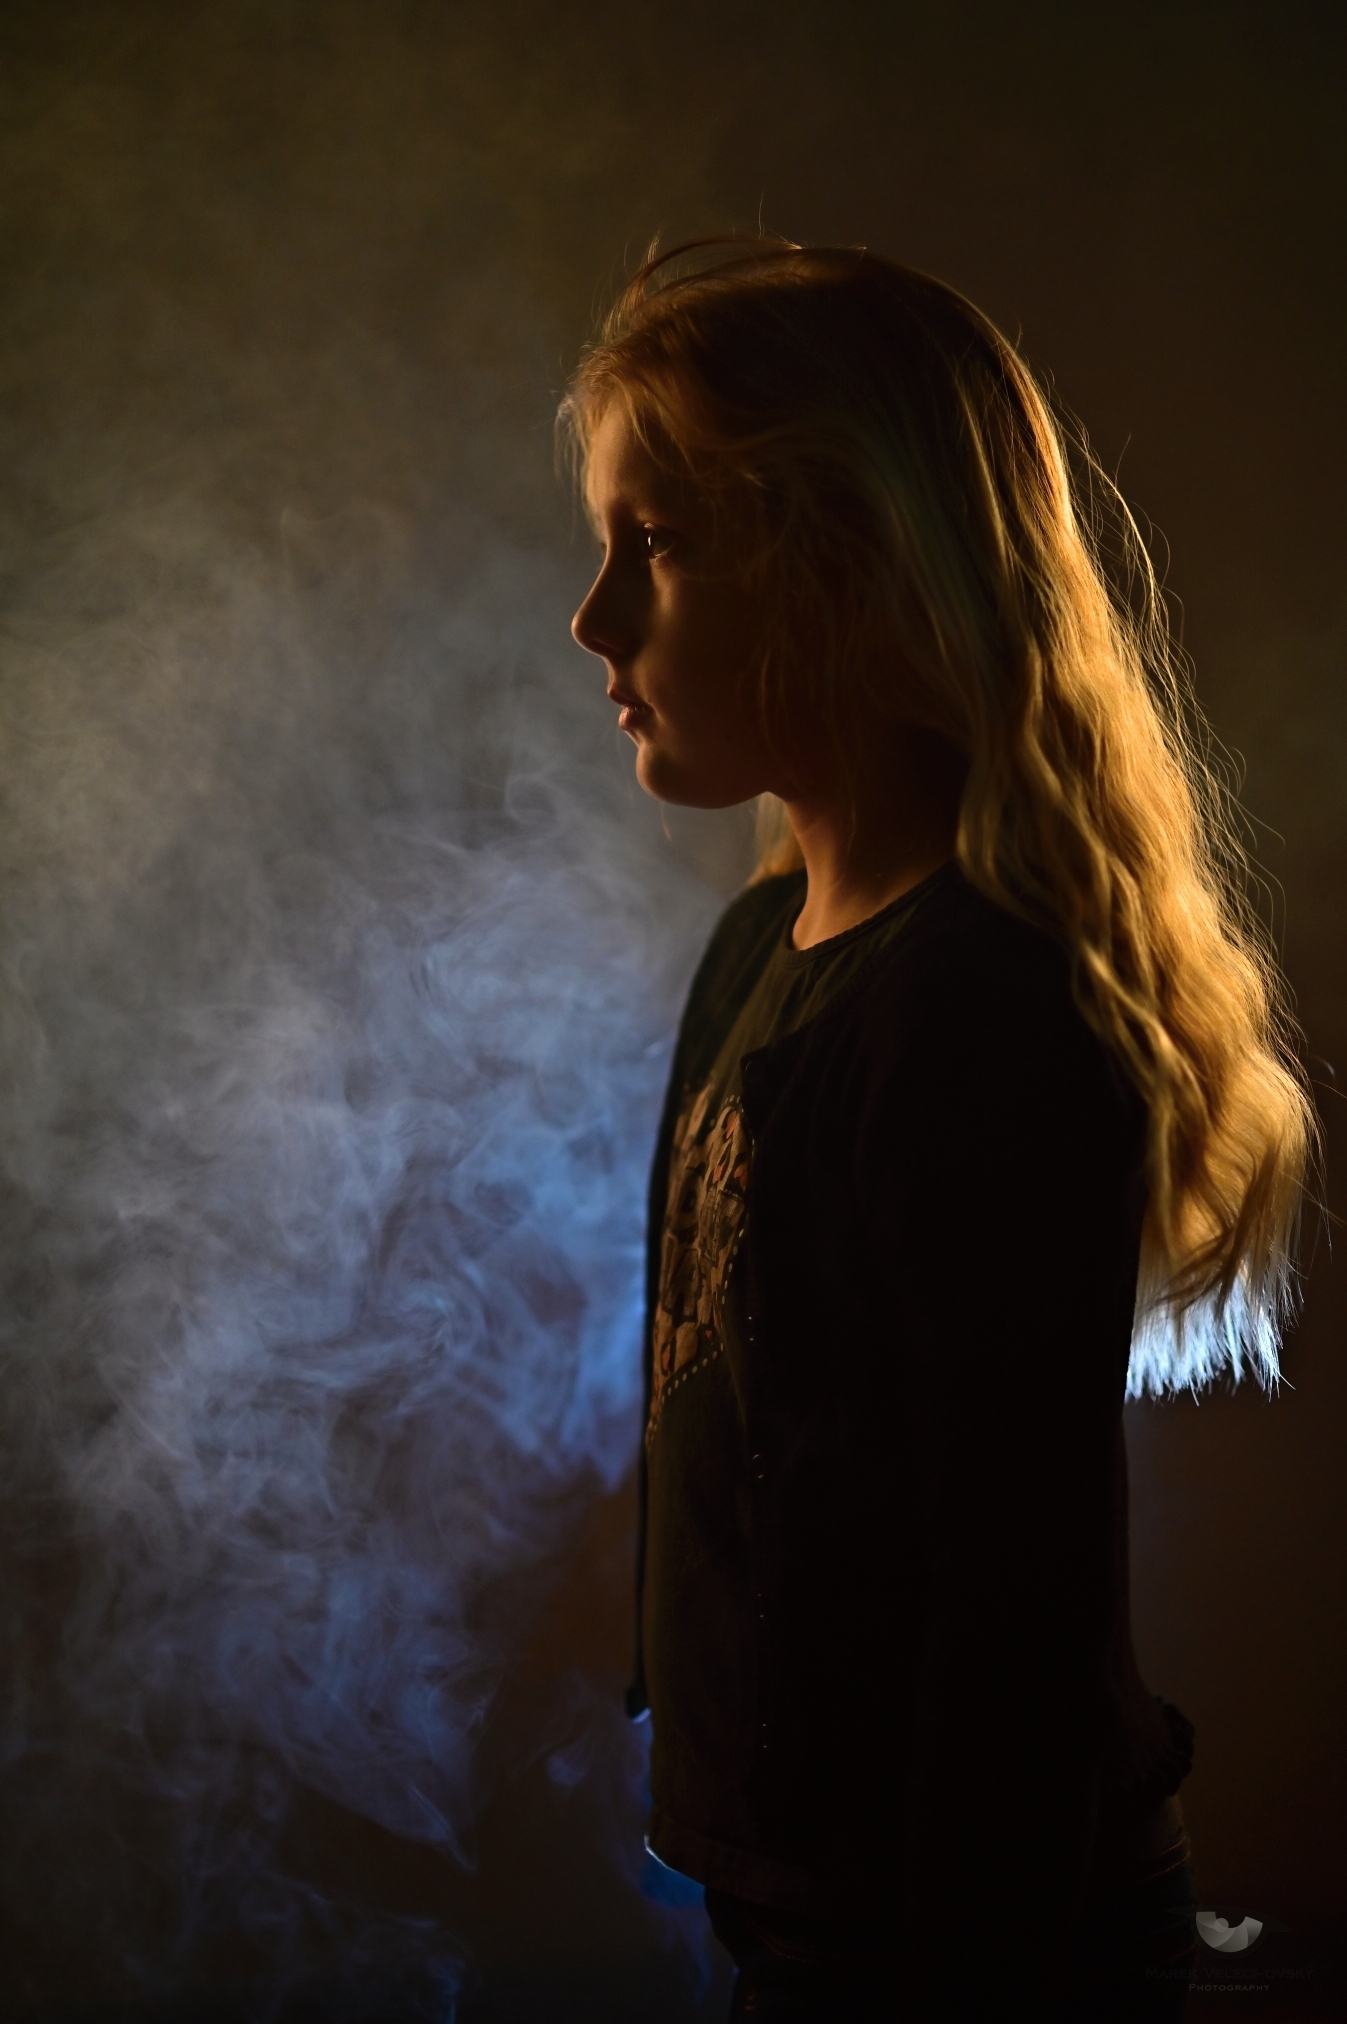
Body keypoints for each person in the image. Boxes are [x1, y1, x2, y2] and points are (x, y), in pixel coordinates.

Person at [562, 239, 1316, 2021]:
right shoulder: (759, 946)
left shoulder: (985, 1010)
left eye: (655, 544)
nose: (594, 620)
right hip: (811, 1910)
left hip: (972, 1943)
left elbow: (1013, 1608)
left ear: (853, 561)